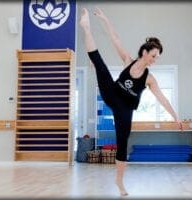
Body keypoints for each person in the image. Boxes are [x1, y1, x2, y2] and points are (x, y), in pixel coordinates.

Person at [79, 7, 182, 196]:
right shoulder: (128, 60)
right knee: (99, 64)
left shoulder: (150, 79)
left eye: (156, 58)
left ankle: (119, 181)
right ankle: (86, 27)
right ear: (144, 52)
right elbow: (115, 39)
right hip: (112, 93)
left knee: (122, 143)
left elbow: (162, 99)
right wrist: (105, 20)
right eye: (153, 56)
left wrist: (176, 117)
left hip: (125, 109)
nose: (154, 60)